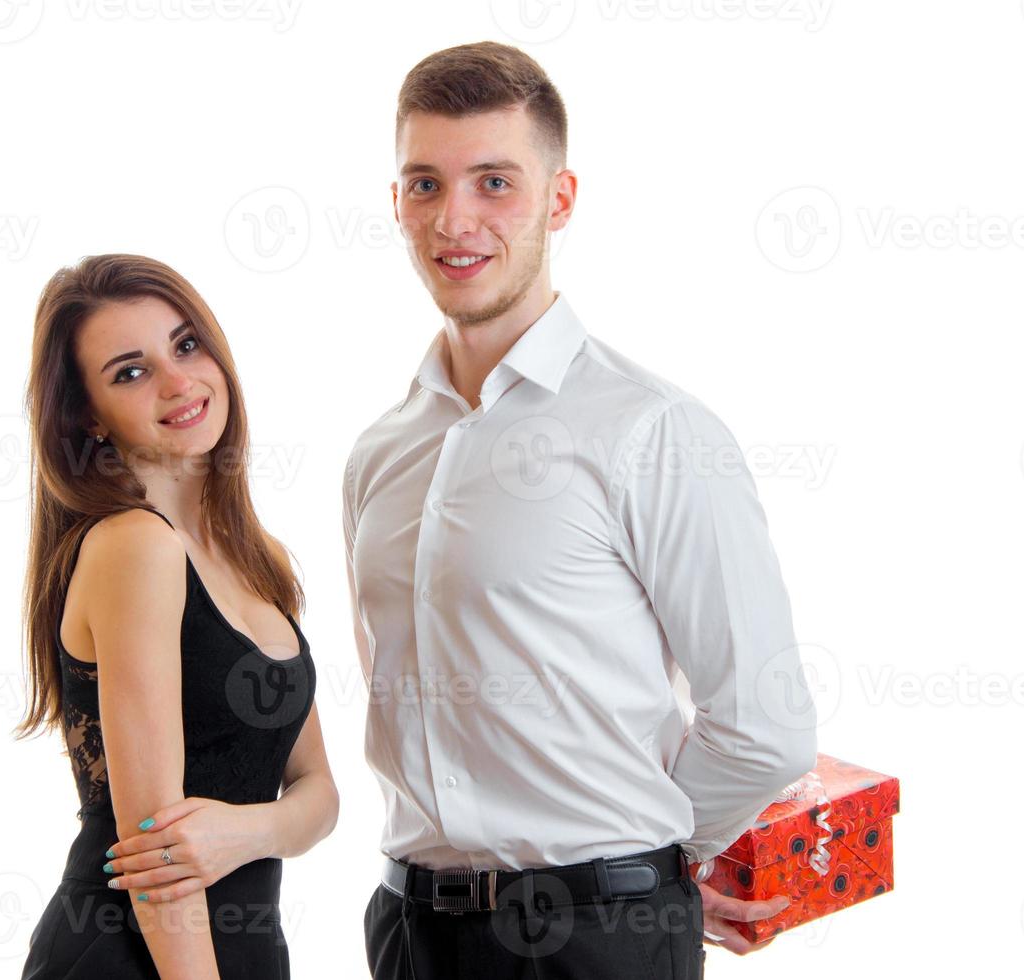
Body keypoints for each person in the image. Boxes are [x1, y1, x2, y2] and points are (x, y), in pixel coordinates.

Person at [346, 42, 819, 979]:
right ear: (396, 202)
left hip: (597, 940)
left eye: (494, 183)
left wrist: (649, 864)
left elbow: (765, 725)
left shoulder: (655, 430)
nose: (456, 219)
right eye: (424, 184)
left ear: (559, 201)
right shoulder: (379, 454)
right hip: (410, 930)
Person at [15, 253, 338, 979]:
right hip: (140, 955)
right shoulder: (136, 548)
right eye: (130, 372)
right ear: (88, 418)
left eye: (186, 345)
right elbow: (157, 859)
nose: (177, 381)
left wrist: (243, 829)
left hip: (243, 950)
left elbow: (319, 793)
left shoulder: (256, 557)